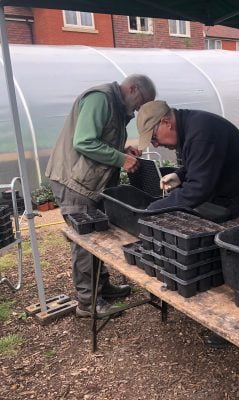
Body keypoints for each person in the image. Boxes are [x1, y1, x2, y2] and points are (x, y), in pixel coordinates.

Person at [46, 74, 157, 318]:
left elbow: (100, 139)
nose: (139, 109)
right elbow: (84, 142)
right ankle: (88, 302)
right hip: (75, 182)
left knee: (97, 235)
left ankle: (102, 287)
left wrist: (123, 150)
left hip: (88, 180)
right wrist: (120, 159)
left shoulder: (116, 104)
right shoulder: (101, 99)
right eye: (141, 103)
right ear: (132, 89)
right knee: (86, 241)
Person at [136, 100, 239, 229]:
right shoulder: (188, 125)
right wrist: (179, 175)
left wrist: (153, 209)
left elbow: (198, 189)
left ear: (166, 123)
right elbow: (204, 161)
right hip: (232, 194)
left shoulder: (201, 134)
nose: (156, 144)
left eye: (154, 138)